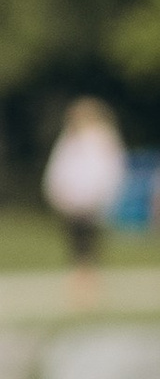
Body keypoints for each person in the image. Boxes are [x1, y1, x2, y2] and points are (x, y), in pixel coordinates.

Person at [43, 96, 126, 289]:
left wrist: (104, 194)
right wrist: (58, 192)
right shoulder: (69, 139)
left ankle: (90, 280)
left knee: (90, 242)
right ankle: (80, 279)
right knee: (75, 243)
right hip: (72, 200)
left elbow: (110, 168)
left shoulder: (102, 138)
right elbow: (59, 169)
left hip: (93, 200)